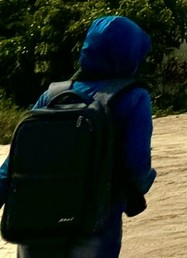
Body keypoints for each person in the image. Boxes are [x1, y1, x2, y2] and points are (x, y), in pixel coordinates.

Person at [0, 14, 157, 257]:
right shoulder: (134, 98)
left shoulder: (52, 94)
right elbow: (137, 169)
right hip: (92, 224)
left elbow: (17, 161)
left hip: (36, 222)